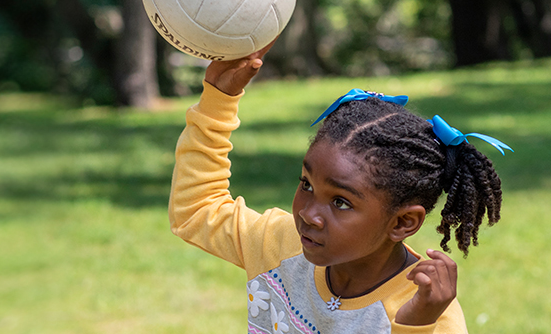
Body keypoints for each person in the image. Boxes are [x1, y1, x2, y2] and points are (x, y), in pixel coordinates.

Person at [170, 43, 509, 333]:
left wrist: (413, 326)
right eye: (306, 184)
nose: (308, 214)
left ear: (403, 222)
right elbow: (197, 210)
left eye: (341, 203)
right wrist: (219, 98)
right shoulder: (280, 245)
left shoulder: (429, 312)